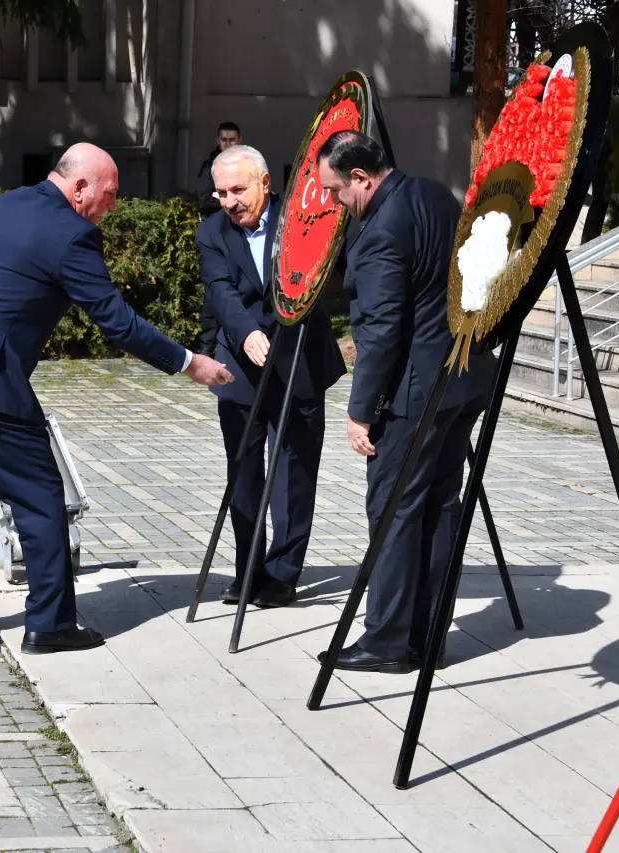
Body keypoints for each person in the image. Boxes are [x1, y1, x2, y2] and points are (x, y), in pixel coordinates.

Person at [0, 143, 234, 658]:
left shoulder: (0, 205)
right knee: (40, 497)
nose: (113, 205)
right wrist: (190, 363)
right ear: (80, 188)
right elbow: (117, 323)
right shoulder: (72, 235)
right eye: (110, 194)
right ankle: (51, 624)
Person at [314, 130, 495, 673]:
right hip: (463, 378)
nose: (333, 202)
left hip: (416, 393)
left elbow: (382, 329)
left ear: (362, 179)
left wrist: (359, 409)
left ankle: (388, 642)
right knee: (439, 506)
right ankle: (429, 637)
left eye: (336, 191)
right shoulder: (436, 194)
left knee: (394, 510)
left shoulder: (380, 232)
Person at [198, 144, 345, 608]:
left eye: (237, 190)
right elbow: (220, 292)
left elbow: (329, 275)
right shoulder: (213, 231)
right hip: (240, 368)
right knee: (243, 474)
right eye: (221, 192)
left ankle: (282, 572)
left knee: (294, 474)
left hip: (299, 357)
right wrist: (243, 335)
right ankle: (247, 569)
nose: (229, 201)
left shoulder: (305, 217)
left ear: (264, 182)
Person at [192, 122, 243, 358]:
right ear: (217, 140)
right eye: (224, 140)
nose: (228, 144)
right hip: (217, 235)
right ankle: (205, 347)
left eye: (232, 140)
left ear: (239, 140)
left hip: (240, 233)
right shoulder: (210, 167)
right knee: (215, 290)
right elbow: (204, 199)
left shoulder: (245, 164)